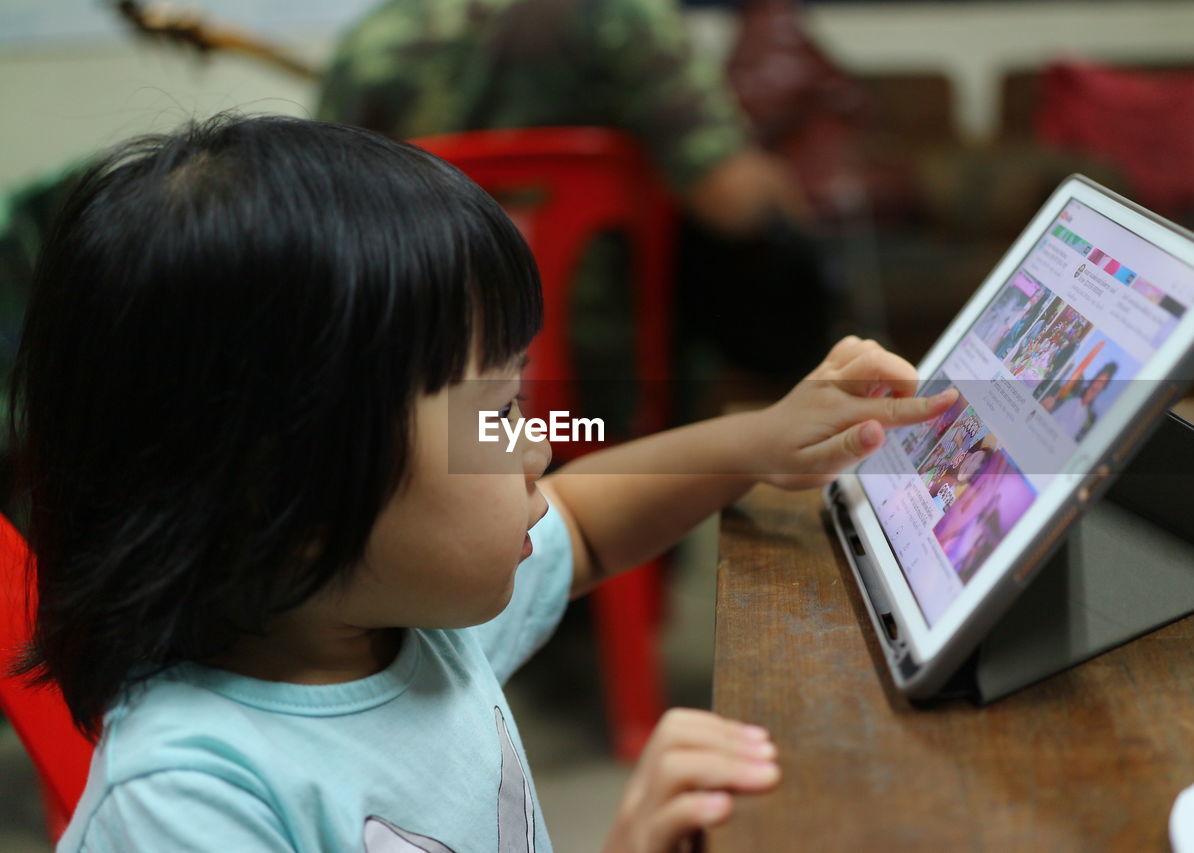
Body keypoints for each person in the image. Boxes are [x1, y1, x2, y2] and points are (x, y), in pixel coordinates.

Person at [13, 115, 954, 853]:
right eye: (496, 411)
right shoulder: (191, 801)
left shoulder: (391, 621)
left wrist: (761, 437)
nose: (536, 446)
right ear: (289, 496)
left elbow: (582, 523)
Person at [316, 0, 832, 413]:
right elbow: (732, 203)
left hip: (430, 378)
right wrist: (778, 183)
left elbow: (325, 224)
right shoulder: (624, 17)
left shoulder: (373, 40)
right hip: (603, 378)